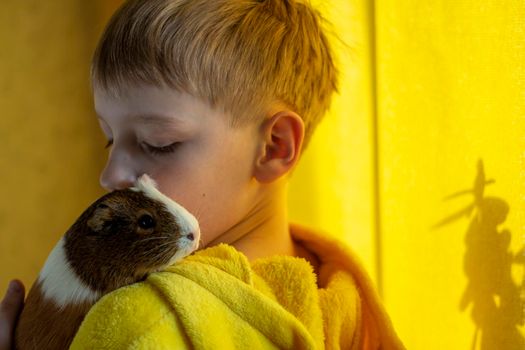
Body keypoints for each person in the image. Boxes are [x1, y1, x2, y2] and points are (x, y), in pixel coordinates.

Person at [1, 0, 405, 348]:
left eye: (158, 142)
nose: (111, 174)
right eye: (109, 139)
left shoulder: (149, 320)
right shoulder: (334, 284)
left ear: (274, 146)